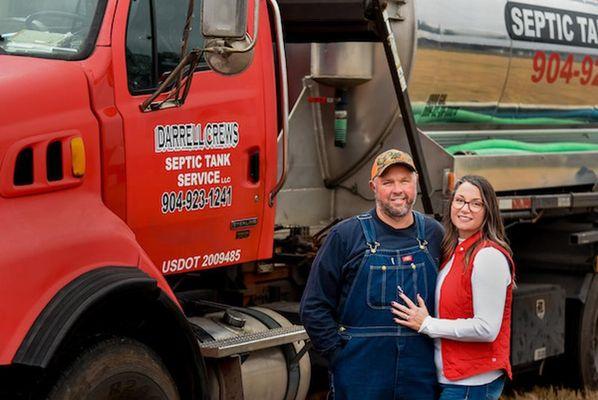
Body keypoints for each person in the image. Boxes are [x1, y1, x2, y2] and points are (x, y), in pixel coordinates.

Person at [300, 149, 444, 400]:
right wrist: (339, 356)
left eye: (404, 181)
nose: (397, 190)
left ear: (416, 183)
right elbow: (313, 307)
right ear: (373, 187)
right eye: (388, 182)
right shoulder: (345, 236)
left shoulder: (434, 234)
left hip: (419, 372)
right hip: (360, 373)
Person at [391, 175, 514, 400]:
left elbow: (487, 328)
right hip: (451, 377)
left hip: (472, 383)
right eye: (459, 200)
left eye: (476, 203)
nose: (465, 209)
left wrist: (427, 324)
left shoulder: (488, 256)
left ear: (488, 211)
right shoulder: (453, 250)